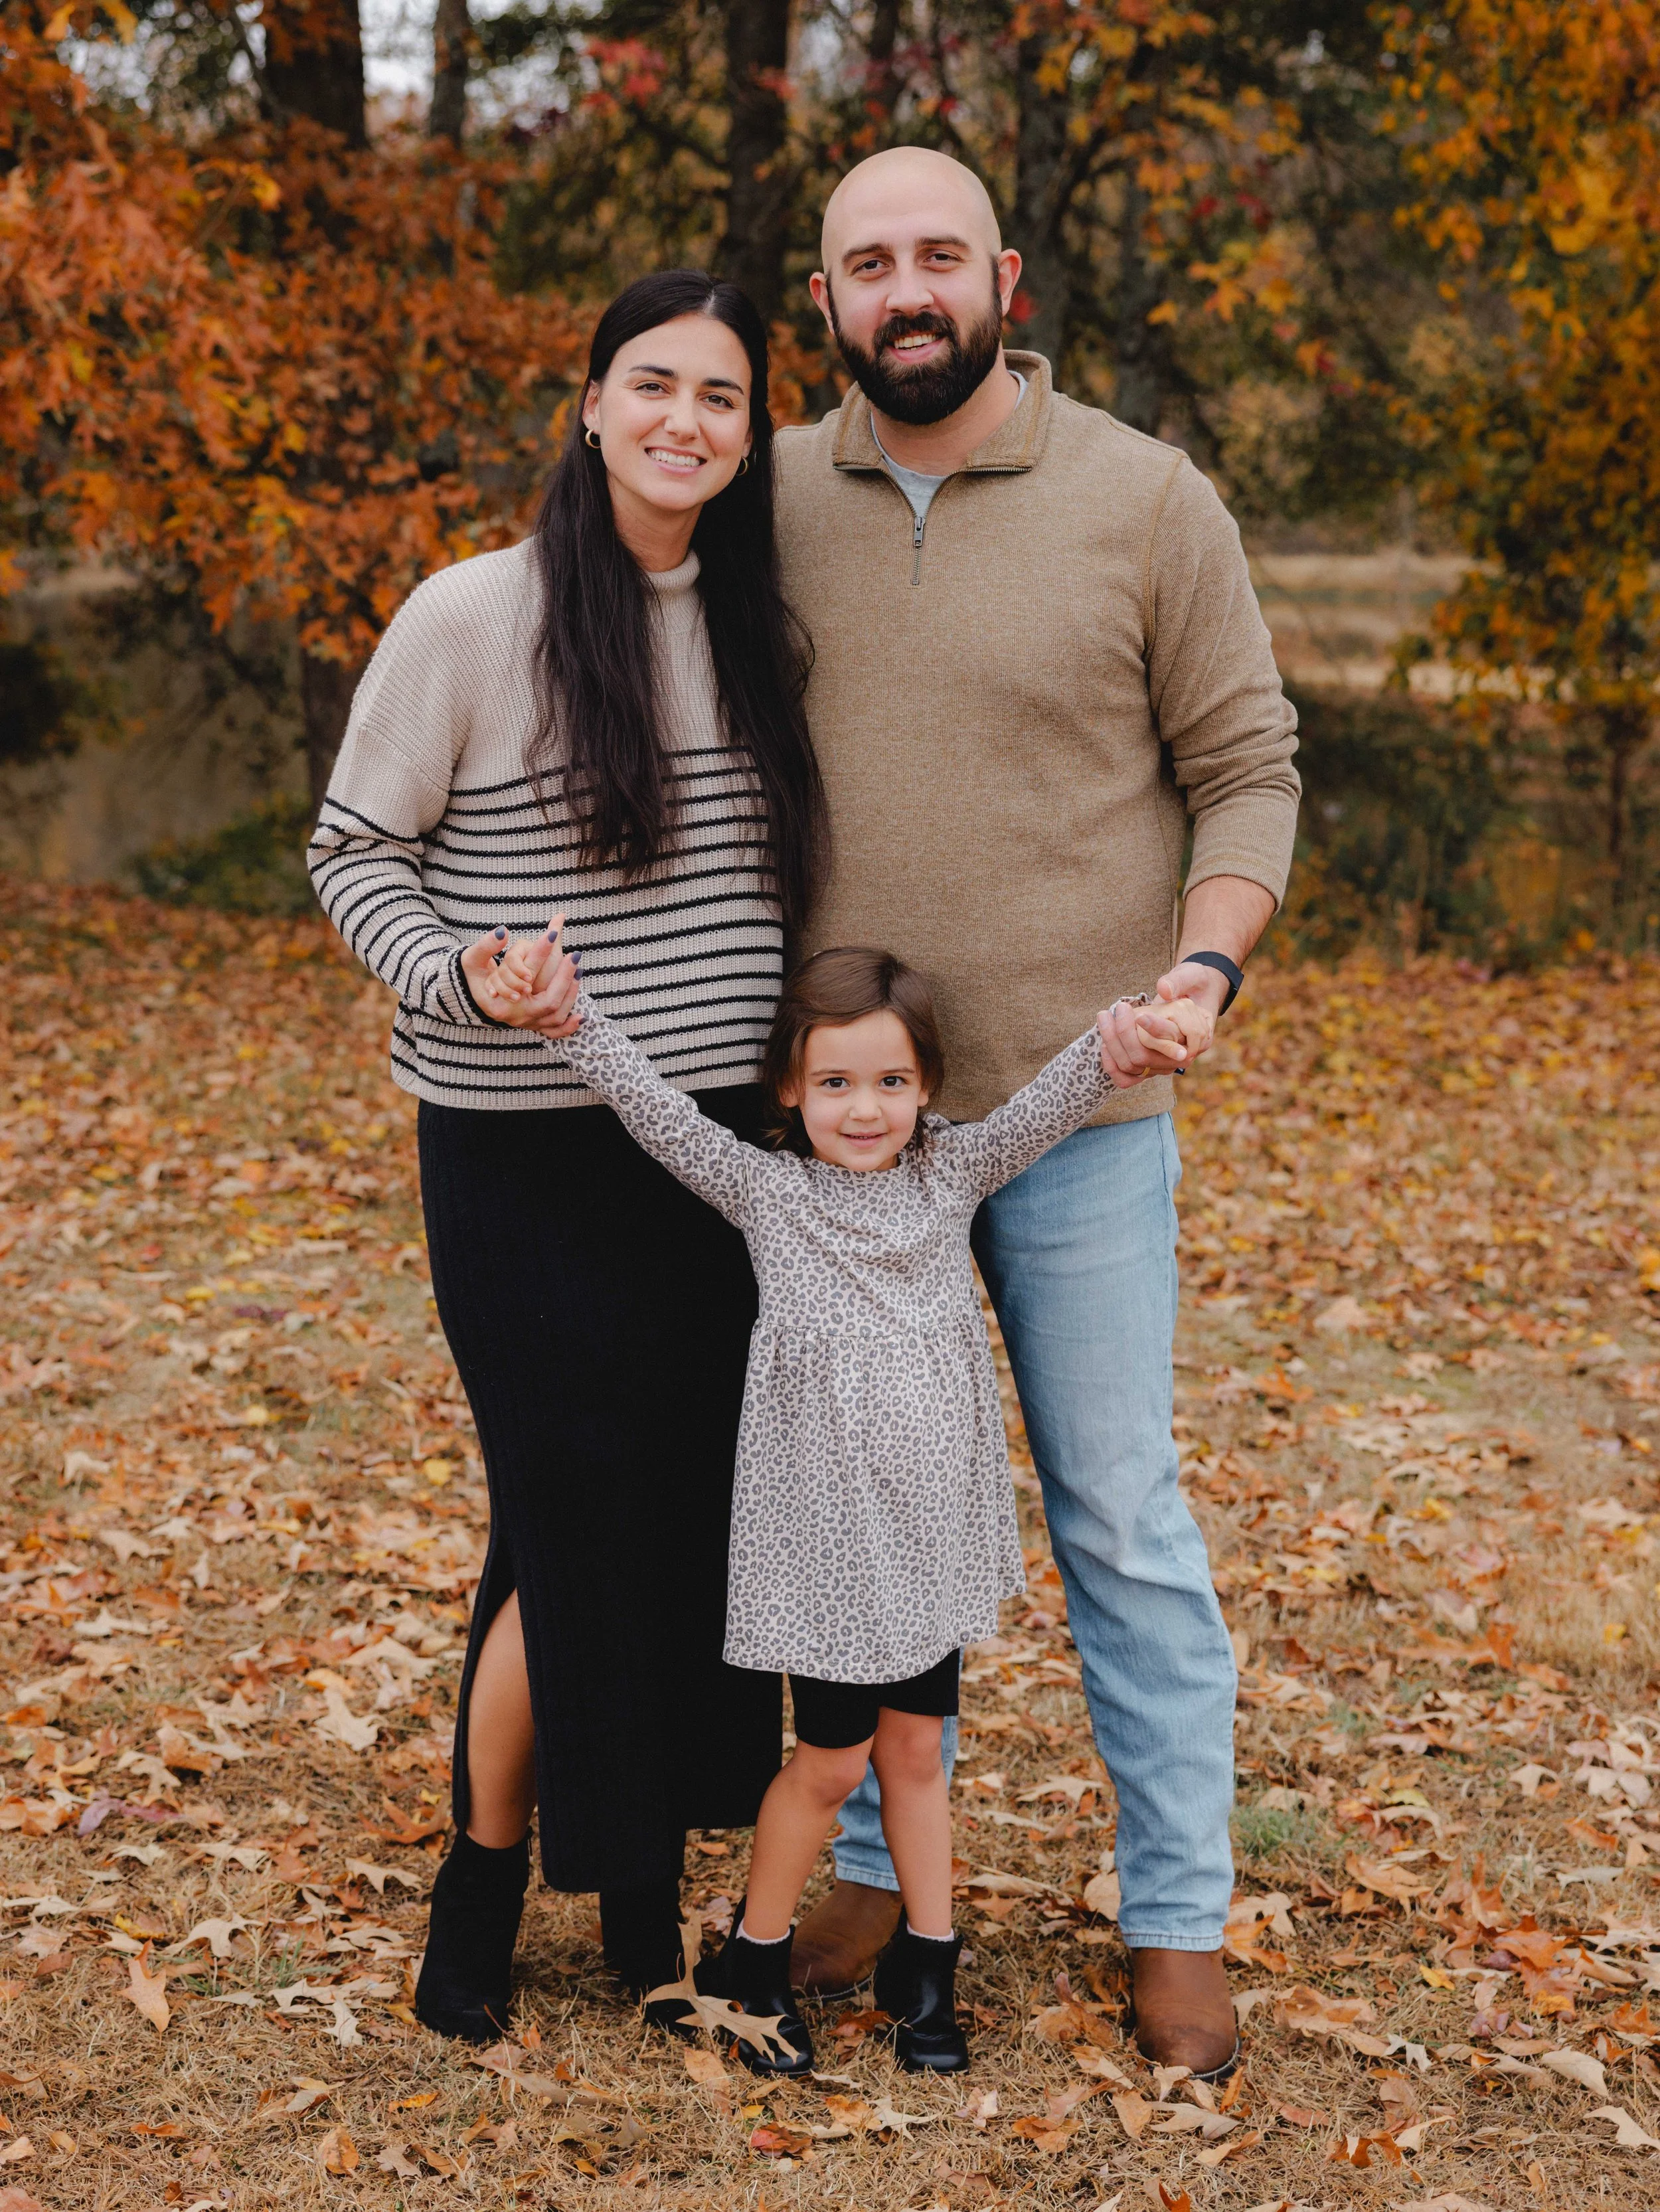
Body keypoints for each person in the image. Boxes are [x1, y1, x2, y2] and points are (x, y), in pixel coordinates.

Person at [772, 147, 1302, 2076]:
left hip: (1079, 1123)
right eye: (866, 264)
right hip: (854, 1146)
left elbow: (1246, 768)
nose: (904, 290)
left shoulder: (1146, 498)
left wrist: (1203, 969)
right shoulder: (764, 502)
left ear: (1000, 277)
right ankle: (857, 1865)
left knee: (1117, 1516)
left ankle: (1176, 1916)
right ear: (825, 301)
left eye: (937, 256)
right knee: (857, 1511)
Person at [307, 269, 826, 2043]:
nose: (685, 418)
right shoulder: (473, 615)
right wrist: (462, 970)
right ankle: (482, 1880)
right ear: (591, 403)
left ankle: (632, 1882)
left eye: (721, 396)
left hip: (713, 1161)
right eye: (652, 383)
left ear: (749, 436)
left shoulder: (758, 624)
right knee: (561, 1511)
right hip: (521, 1154)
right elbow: (353, 852)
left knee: (664, 1522)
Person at [483, 928, 1212, 2074]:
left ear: (924, 1088)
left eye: (890, 1081)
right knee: (829, 1764)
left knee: (916, 1753)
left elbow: (1048, 1105)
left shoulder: (951, 1173)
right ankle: (755, 1966)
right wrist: (571, 1022)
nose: (864, 1108)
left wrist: (1116, 1047)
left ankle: (929, 1971)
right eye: (834, 1082)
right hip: (824, 1546)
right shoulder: (768, 1192)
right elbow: (658, 1113)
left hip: (926, 1538)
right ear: (791, 1086)